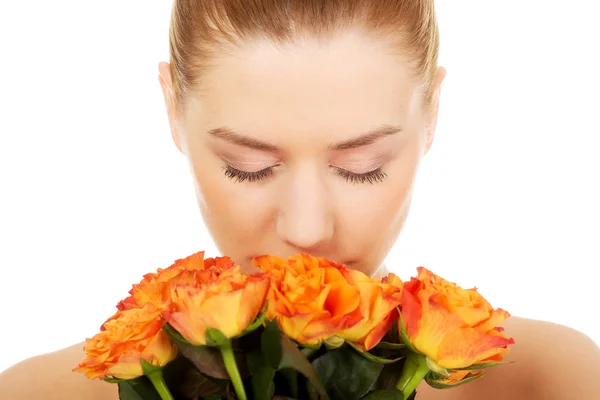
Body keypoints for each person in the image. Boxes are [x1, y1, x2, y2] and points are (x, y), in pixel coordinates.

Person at [1, 0, 599, 399]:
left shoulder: (555, 380)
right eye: (249, 167)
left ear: (432, 113)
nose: (308, 230)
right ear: (173, 110)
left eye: (361, 168)